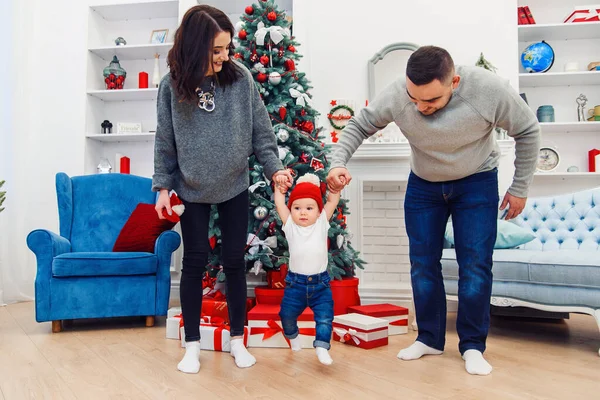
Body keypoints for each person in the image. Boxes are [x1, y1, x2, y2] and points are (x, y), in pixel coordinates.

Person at [326, 45, 540, 376]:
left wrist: (520, 187)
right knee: (423, 264)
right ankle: (429, 339)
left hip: (477, 182)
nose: (421, 107)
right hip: (424, 185)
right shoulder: (399, 93)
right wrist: (337, 162)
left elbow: (527, 130)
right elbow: (359, 125)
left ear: (453, 81)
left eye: (431, 101)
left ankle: (472, 346)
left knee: (475, 266)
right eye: (415, 99)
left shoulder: (487, 89)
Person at [152, 5, 292, 374]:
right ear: (195, 47)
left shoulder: (240, 78)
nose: (224, 56)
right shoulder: (171, 86)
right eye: (216, 50)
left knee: (234, 261)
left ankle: (237, 340)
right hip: (191, 186)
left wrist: (275, 169)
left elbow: (261, 133)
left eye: (227, 48)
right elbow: (165, 143)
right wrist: (162, 187)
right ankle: (193, 345)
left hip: (234, 184)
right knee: (194, 263)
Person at [273, 173, 341, 365]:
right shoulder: (290, 226)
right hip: (296, 285)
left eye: (309, 208)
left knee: (325, 318)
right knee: (286, 315)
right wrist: (279, 190)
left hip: (321, 285)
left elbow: (332, 202)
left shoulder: (321, 224)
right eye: (297, 208)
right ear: (291, 210)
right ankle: (293, 337)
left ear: (318, 212)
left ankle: (321, 346)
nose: (303, 213)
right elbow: (279, 203)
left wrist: (335, 190)